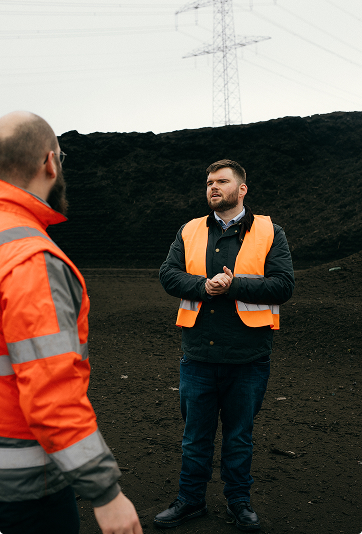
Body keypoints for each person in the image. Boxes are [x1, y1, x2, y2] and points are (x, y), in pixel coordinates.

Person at [0, 111, 143, 534]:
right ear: (50, 162)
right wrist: (105, 493)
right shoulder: (30, 260)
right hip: (23, 492)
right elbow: (50, 392)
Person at [154, 159, 294, 531]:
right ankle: (190, 500)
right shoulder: (189, 230)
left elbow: (283, 285)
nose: (213, 187)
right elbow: (168, 275)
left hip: (248, 356)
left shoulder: (271, 232)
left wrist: (234, 286)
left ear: (242, 189)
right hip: (198, 354)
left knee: (238, 437)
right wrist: (203, 285)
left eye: (222, 181)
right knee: (195, 438)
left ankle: (239, 501)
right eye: (209, 182)